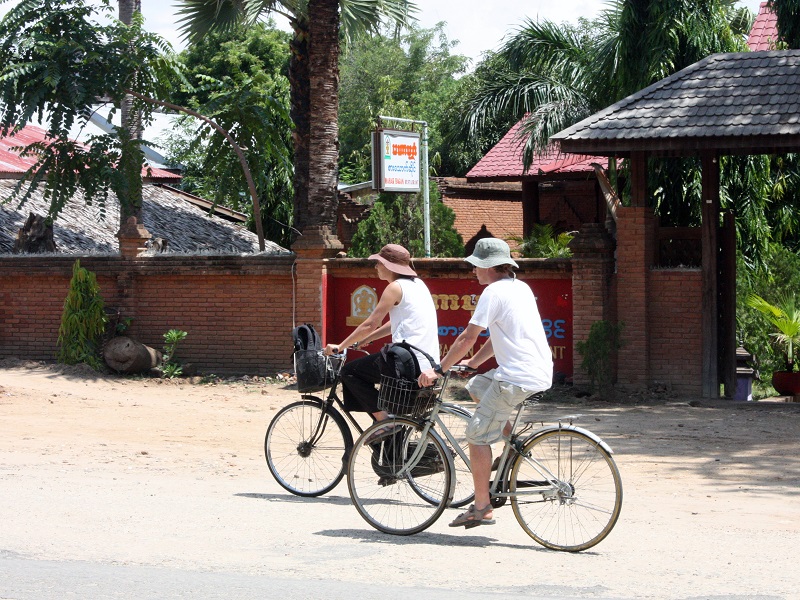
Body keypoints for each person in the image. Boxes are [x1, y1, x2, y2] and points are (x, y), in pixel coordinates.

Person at [418, 238, 552, 528]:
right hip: (537, 371)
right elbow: (497, 336)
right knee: (477, 386)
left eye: (476, 265)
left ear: (488, 266)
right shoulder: (520, 287)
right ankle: (511, 443)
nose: (473, 271)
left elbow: (468, 336)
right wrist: (474, 364)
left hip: (515, 378)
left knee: (476, 436)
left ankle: (481, 507)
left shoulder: (492, 292)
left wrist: (440, 369)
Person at [324, 243, 439, 442]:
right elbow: (393, 325)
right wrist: (366, 340)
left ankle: (384, 420)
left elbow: (370, 323)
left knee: (349, 372)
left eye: (379, 263)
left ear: (389, 265)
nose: (376, 266)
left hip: (407, 363)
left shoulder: (394, 287)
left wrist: (340, 347)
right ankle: (390, 446)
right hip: (427, 364)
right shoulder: (419, 285)